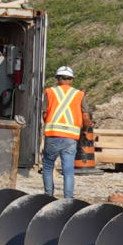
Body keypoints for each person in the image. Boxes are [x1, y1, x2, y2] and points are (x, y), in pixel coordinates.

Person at [39, 63, 91, 199]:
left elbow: (44, 114)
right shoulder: (79, 94)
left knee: (48, 167)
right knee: (68, 171)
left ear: (57, 78)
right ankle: (68, 200)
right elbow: (86, 117)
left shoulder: (50, 92)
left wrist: (50, 124)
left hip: (53, 135)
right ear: (71, 79)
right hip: (70, 138)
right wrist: (84, 131)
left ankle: (48, 197)